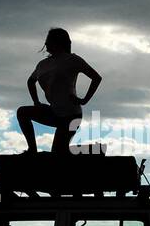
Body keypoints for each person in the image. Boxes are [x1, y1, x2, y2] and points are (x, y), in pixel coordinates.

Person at [17, 28, 102, 156]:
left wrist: (84, 100)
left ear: (59, 42)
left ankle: (94, 151)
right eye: (46, 41)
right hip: (54, 112)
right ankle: (32, 150)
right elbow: (30, 81)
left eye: (49, 40)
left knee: (59, 153)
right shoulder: (43, 64)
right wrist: (36, 102)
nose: (46, 44)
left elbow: (96, 77)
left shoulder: (73, 60)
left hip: (71, 116)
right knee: (22, 112)